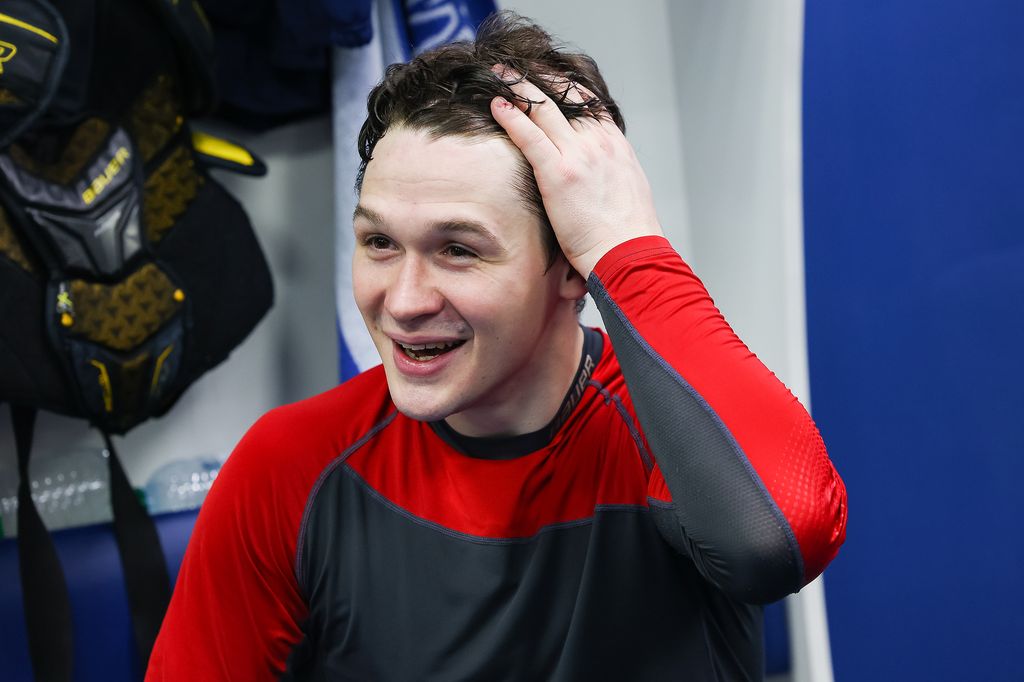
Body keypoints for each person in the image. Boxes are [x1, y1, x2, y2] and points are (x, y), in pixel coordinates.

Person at [147, 11, 847, 681]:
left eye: (458, 249)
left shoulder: (671, 439)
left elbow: (778, 537)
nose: (404, 301)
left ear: (572, 265)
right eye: (379, 242)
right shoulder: (291, 468)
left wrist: (628, 247)